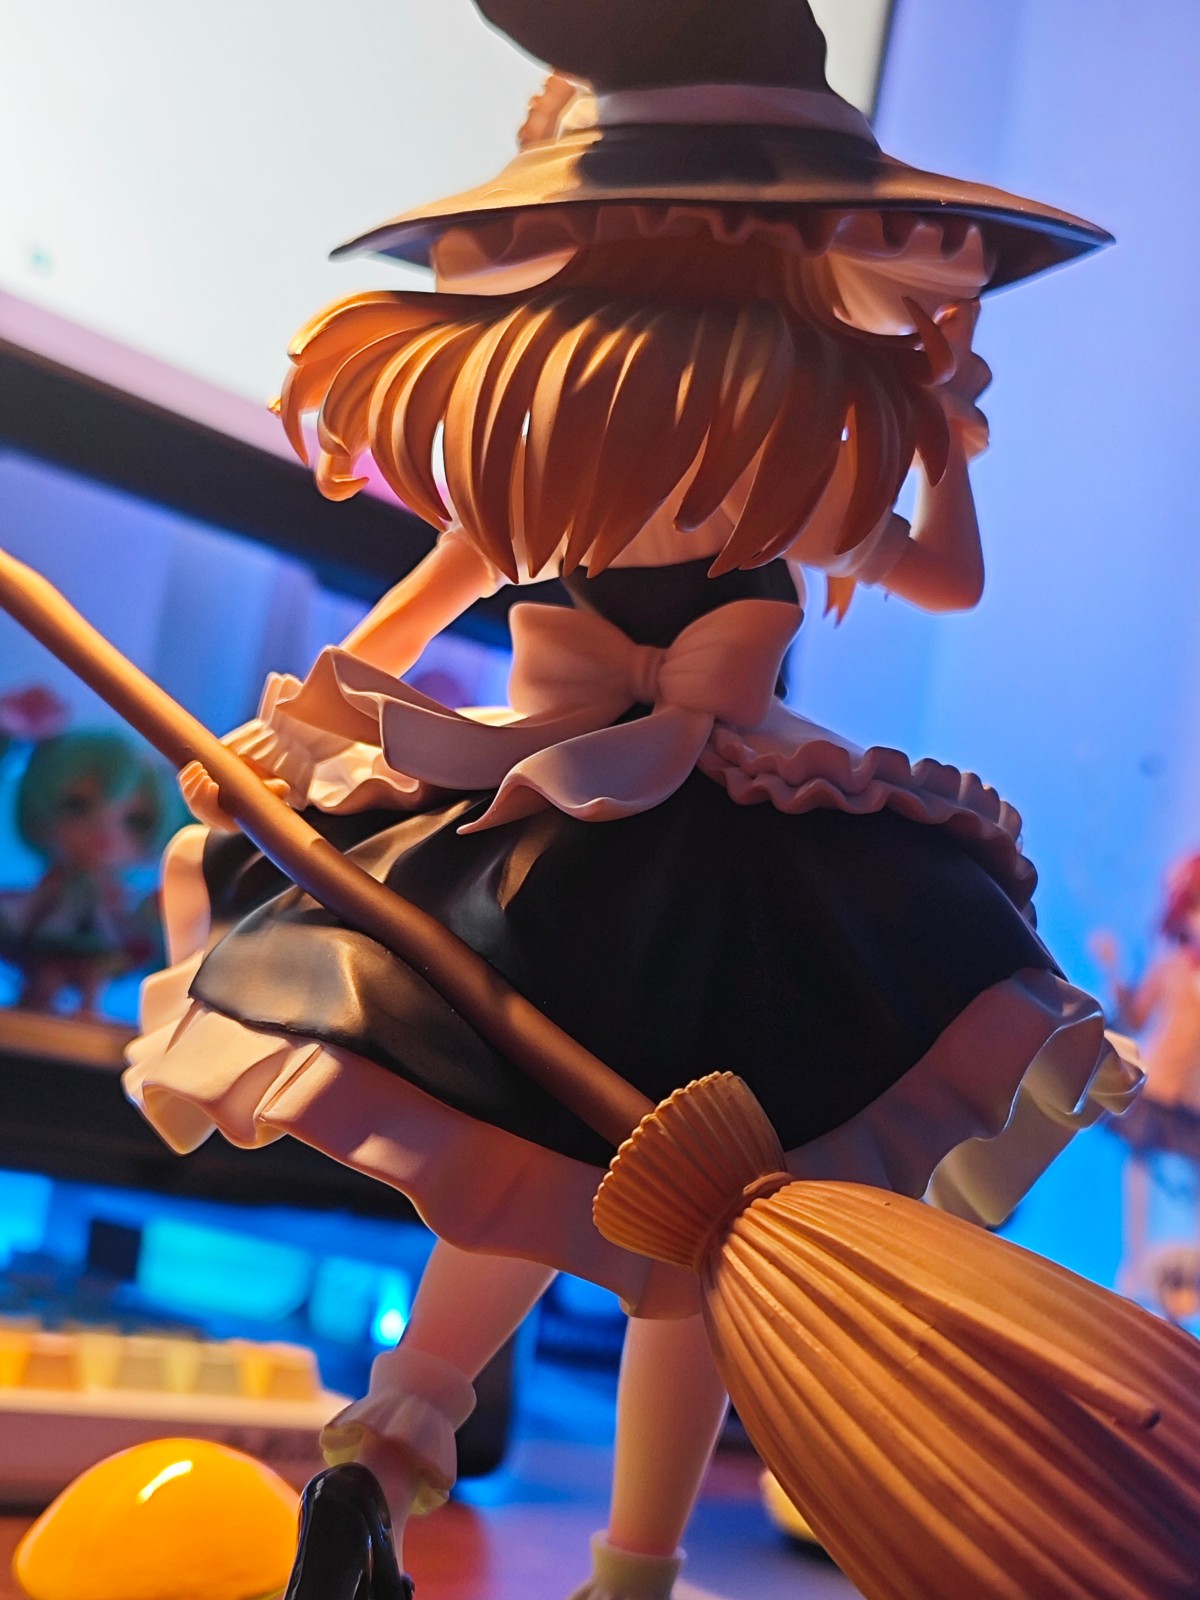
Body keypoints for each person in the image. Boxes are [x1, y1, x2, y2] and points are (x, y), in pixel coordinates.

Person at [123, 4, 1134, 1595]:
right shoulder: (703, 463)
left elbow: (934, 575)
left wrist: (937, 427)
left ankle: (405, 1451)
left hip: (626, 867)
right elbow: (942, 575)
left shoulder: (676, 460)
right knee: (648, 1218)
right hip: (626, 863)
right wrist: (291, 739)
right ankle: (583, 1545)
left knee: (594, 1195)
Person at [0, 728, 175, 1017]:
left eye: (135, 820)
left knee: (95, 970)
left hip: (103, 935)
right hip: (51, 929)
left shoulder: (116, 896)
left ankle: (88, 1009)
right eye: (78, 806)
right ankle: (39, 1000)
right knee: (48, 970)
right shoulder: (56, 885)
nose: (105, 830)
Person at [1093, 854, 1200, 1303]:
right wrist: (1113, 969)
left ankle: (1186, 1279)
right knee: (1141, 1171)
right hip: (1158, 1089)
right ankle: (1135, 1270)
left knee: (1190, 1182)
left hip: (1193, 1102)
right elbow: (1134, 1018)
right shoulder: (1170, 967)